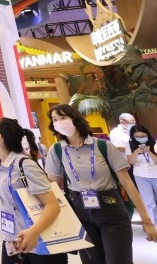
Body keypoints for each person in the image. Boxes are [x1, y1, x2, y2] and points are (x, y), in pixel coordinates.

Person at [45, 104, 157, 264]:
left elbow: (127, 183)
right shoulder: (57, 150)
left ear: (75, 119)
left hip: (111, 209)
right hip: (81, 212)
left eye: (63, 118)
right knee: (91, 261)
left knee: (118, 260)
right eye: (55, 120)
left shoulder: (102, 146)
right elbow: (52, 187)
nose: (59, 123)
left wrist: (147, 221)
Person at [0, 117, 64, 263]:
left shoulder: (25, 165)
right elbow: (16, 196)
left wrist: (33, 232)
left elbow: (52, 205)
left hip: (40, 241)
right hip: (12, 239)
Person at [128, 124, 157, 232]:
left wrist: (149, 151)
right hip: (141, 175)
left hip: (155, 173)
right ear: (133, 137)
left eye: (143, 136)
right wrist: (136, 152)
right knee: (148, 202)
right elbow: (131, 162)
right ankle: (153, 227)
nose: (141, 138)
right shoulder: (129, 145)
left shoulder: (154, 143)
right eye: (138, 137)